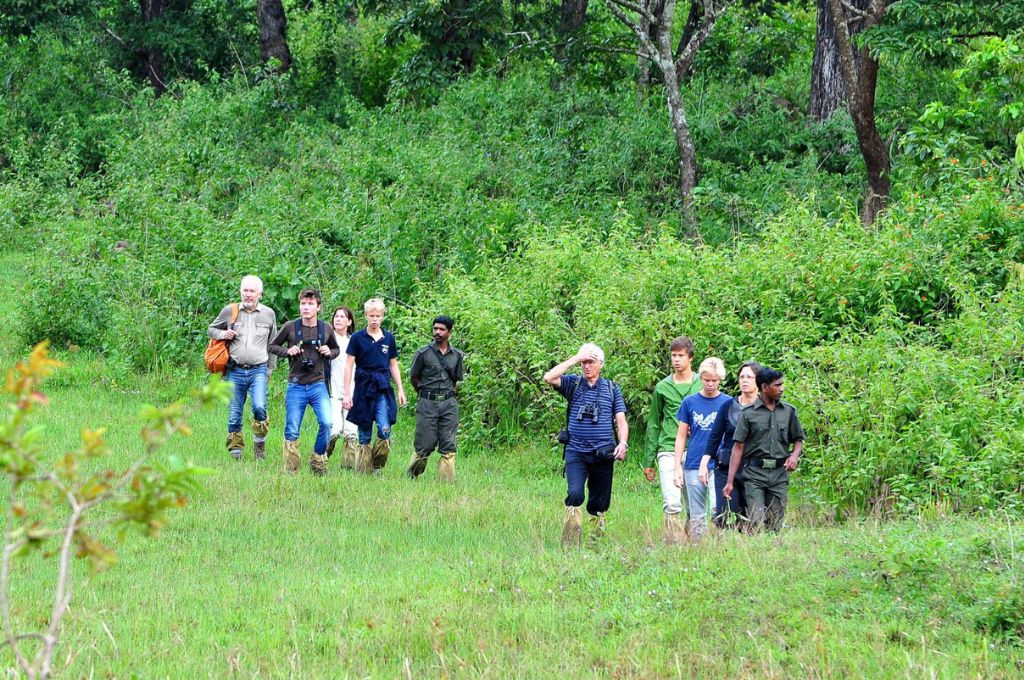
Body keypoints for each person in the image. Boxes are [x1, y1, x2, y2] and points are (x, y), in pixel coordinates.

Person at [543, 343, 628, 548]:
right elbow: (549, 377)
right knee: (575, 494)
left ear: (601, 364)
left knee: (599, 502)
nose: (586, 366)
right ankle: (571, 542)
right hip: (576, 452)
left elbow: (621, 421)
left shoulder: (612, 388)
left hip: (603, 453)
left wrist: (623, 443)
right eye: (584, 363)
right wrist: (575, 357)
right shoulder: (573, 384)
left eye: (591, 362)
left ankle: (596, 541)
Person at [723, 367, 805, 532]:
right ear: (764, 387)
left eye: (782, 384)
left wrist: (794, 456)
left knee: (776, 523)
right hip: (754, 475)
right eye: (777, 385)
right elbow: (738, 447)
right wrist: (730, 481)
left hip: (779, 474)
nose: (781, 389)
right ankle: (755, 552)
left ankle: (774, 554)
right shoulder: (748, 414)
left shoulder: (788, 411)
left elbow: (798, 439)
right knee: (757, 521)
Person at [269, 289, 340, 475]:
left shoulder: (326, 328)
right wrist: (288, 351)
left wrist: (328, 352)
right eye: (303, 304)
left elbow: (336, 349)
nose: (306, 307)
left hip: (318, 383)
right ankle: (291, 470)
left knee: (326, 423)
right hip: (296, 384)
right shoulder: (290, 327)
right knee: (292, 429)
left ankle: (318, 459)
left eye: (310, 304)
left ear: (318, 307)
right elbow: (272, 346)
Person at [207, 275, 278, 461]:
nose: (248, 295)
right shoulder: (229, 311)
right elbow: (211, 329)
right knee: (234, 413)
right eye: (245, 290)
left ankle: (259, 445)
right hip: (235, 370)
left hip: (259, 370)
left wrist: (270, 369)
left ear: (260, 294)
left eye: (252, 291)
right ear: (240, 292)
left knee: (260, 407)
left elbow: (273, 344)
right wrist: (223, 333)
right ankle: (236, 454)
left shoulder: (268, 314)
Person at [644, 336, 703, 544]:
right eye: (673, 356)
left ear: (691, 358)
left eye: (681, 356)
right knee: (672, 501)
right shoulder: (662, 387)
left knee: (694, 502)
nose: (676, 360)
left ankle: (695, 544)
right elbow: (653, 424)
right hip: (668, 448)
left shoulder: (701, 383)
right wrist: (648, 461)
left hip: (696, 450)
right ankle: (676, 545)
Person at [342, 298, 408, 475]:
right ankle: (363, 469)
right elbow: (349, 365)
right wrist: (346, 393)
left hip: (382, 387)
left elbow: (393, 365)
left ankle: (377, 464)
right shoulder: (357, 338)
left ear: (383, 316)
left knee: (384, 428)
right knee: (364, 431)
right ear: (365, 316)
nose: (374, 319)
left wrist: (401, 389)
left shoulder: (388, 338)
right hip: (363, 386)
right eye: (371, 315)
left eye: (378, 316)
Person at [672, 357, 730, 541]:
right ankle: (698, 547)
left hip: (720, 463)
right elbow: (681, 436)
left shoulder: (728, 403)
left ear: (720, 380)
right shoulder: (690, 402)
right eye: (707, 380)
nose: (711, 384)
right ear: (701, 378)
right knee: (696, 512)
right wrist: (677, 467)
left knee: (717, 507)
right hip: (694, 462)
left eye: (714, 380)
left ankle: (720, 545)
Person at [699, 361, 761, 530]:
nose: (745, 380)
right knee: (724, 516)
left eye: (749, 377)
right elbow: (714, 437)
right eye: (742, 376)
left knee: (752, 520)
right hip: (727, 469)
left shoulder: (766, 407)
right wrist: (704, 464)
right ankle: (723, 550)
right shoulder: (727, 406)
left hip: (755, 471)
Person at [407, 315, 465, 482]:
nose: (437, 332)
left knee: (448, 444)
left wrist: (448, 396)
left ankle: (446, 483)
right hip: (427, 403)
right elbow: (414, 377)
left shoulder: (457, 356)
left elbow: (456, 380)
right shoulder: (423, 353)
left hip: (448, 403)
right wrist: (424, 394)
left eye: (442, 329)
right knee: (424, 444)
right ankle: (412, 475)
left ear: (450, 332)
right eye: (435, 329)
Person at [326, 306, 360, 469]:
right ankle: (322, 456)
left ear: (349, 321)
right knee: (335, 429)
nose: (338, 319)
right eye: (336, 316)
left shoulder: (355, 341)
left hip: (353, 390)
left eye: (342, 317)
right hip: (332, 390)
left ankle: (348, 468)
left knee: (351, 432)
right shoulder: (327, 339)